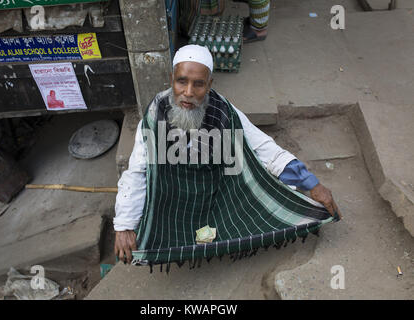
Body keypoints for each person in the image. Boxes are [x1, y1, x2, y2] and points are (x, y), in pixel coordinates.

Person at [114, 45, 341, 263]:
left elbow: (266, 150)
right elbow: (137, 171)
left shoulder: (225, 113)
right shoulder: (155, 116)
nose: (189, 93)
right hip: (174, 190)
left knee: (263, 203)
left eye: (199, 85)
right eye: (181, 82)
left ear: (210, 85)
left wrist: (311, 184)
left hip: (217, 189)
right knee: (151, 228)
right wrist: (124, 225)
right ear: (172, 79)